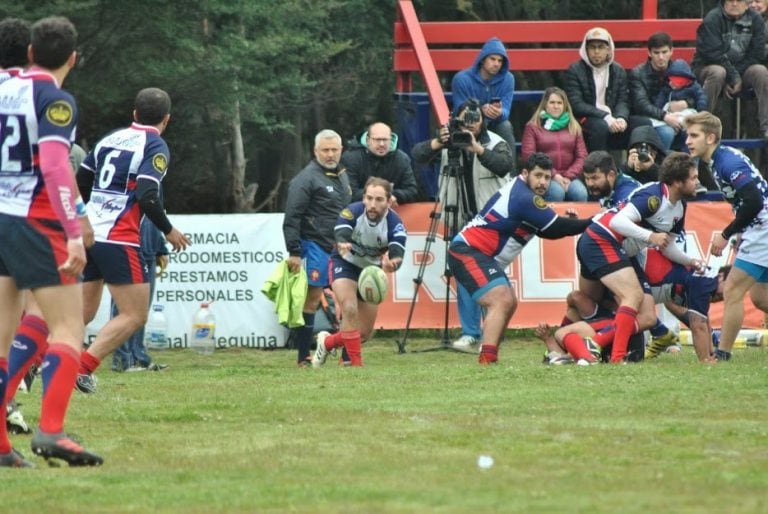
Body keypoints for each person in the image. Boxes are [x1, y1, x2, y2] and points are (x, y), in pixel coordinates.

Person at [0, 16, 102, 467]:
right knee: (67, 327)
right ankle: (52, 433)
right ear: (74, 59)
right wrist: (75, 231)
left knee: (1, 340)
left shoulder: (6, 87)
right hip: (33, 220)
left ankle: (2, 448)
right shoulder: (54, 98)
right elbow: (57, 167)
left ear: (28, 53)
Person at [76, 88, 190, 393]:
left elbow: (81, 183)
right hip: (118, 239)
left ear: (134, 113)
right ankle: (81, 368)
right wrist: (169, 231)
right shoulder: (156, 145)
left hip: (89, 235)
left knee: (82, 313)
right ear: (167, 119)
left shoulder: (109, 139)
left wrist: (90, 217)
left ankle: (41, 359)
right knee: (135, 314)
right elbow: (147, 194)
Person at [447, 153, 593, 365]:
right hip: (468, 250)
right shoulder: (525, 197)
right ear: (525, 174)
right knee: (501, 299)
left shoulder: (523, 193)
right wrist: (592, 221)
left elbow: (547, 231)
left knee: (509, 302)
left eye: (547, 177)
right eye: (538, 176)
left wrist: (569, 224)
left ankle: (488, 352)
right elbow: (554, 227)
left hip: (477, 253)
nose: (543, 182)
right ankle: (487, 359)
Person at [576, 152, 705, 363]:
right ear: (678, 181)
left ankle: (576, 347)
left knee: (646, 315)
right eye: (693, 178)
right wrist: (650, 235)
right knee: (632, 296)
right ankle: (614, 357)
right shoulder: (653, 197)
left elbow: (666, 246)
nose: (697, 182)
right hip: (601, 239)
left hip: (617, 248)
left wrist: (689, 261)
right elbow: (618, 222)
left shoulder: (680, 208)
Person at [411, 99, 514, 349]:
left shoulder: (496, 143)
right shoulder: (450, 144)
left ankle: (493, 328)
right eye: (465, 120)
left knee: (493, 277)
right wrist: (439, 141)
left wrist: (478, 149)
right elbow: (417, 155)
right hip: (459, 219)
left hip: (489, 223)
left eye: (475, 119)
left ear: (483, 120)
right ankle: (470, 332)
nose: (471, 125)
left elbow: (505, 166)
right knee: (464, 275)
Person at [684, 111, 768, 361]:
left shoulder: (727, 163)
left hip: (763, 228)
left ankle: (722, 355)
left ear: (710, 138)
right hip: (757, 228)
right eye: (687, 135)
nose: (688, 141)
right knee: (761, 298)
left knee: (732, 290)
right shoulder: (716, 161)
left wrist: (726, 233)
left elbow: (754, 201)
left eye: (693, 135)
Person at [311, 177, 407, 367]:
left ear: (389, 202)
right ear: (363, 198)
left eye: (379, 200)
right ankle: (352, 363)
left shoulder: (395, 223)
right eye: (369, 198)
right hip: (344, 263)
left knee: (363, 333)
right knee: (349, 308)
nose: (372, 204)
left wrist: (393, 264)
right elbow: (342, 230)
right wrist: (343, 241)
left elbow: (397, 251)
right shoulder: (353, 211)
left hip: (370, 271)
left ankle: (327, 342)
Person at [283, 130, 352, 367]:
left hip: (341, 247)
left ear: (341, 149)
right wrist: (293, 251)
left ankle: (347, 356)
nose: (331, 154)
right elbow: (292, 216)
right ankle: (303, 355)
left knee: (347, 299)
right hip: (316, 246)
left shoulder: (342, 174)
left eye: (334, 149)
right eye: (326, 150)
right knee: (312, 299)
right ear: (316, 151)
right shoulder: (306, 179)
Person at [564, 27, 651, 153]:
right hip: (587, 119)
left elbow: (623, 100)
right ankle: (597, 168)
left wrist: (621, 118)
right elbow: (576, 104)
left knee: (643, 123)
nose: (596, 51)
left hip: (613, 118)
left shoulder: (617, 70)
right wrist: (605, 116)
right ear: (586, 49)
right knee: (600, 127)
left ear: (608, 50)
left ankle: (636, 166)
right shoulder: (575, 70)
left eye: (601, 47)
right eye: (592, 47)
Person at [692, 0, 768, 140]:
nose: (734, 4)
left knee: (761, 71)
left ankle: (766, 127)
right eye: (730, 0)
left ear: (747, 4)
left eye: (739, 0)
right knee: (718, 72)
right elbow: (712, 54)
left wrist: (736, 76)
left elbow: (757, 53)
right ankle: (700, 125)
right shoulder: (712, 18)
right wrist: (732, 77)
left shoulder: (756, 19)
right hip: (708, 68)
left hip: (742, 70)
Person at [110, 216, 169, 372]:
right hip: (128, 248)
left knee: (141, 311)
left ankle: (139, 357)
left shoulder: (156, 191)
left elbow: (156, 213)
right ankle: (122, 359)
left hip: (149, 250)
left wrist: (161, 247)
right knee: (124, 309)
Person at [629, 32, 698, 152]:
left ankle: (692, 169)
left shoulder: (681, 70)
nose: (661, 57)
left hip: (678, 115)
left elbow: (696, 93)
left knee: (695, 130)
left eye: (664, 52)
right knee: (667, 132)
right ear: (649, 53)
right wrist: (665, 116)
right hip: (648, 118)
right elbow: (641, 104)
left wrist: (686, 103)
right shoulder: (638, 73)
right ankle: (660, 167)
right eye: (656, 53)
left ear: (671, 51)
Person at [520, 87, 589, 201]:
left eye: (559, 103)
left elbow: (582, 156)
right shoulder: (533, 126)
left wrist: (568, 175)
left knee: (580, 193)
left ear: (565, 105)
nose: (556, 106)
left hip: (570, 176)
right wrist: (554, 175)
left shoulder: (574, 126)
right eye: (552, 102)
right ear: (545, 105)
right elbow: (529, 155)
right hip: (544, 176)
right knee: (557, 193)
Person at [450, 37, 516, 151]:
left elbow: (506, 111)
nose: (496, 64)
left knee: (506, 126)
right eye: (492, 59)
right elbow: (459, 109)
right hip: (468, 125)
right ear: (482, 59)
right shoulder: (461, 79)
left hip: (495, 125)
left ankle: (510, 168)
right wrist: (480, 112)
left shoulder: (509, 79)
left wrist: (499, 113)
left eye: (500, 61)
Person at [340, 122, 419, 206]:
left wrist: (395, 196)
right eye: (377, 140)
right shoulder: (351, 158)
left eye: (385, 140)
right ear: (368, 140)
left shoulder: (402, 159)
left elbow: (412, 191)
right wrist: (383, 196)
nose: (382, 144)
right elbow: (349, 192)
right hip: (358, 212)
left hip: (394, 211)